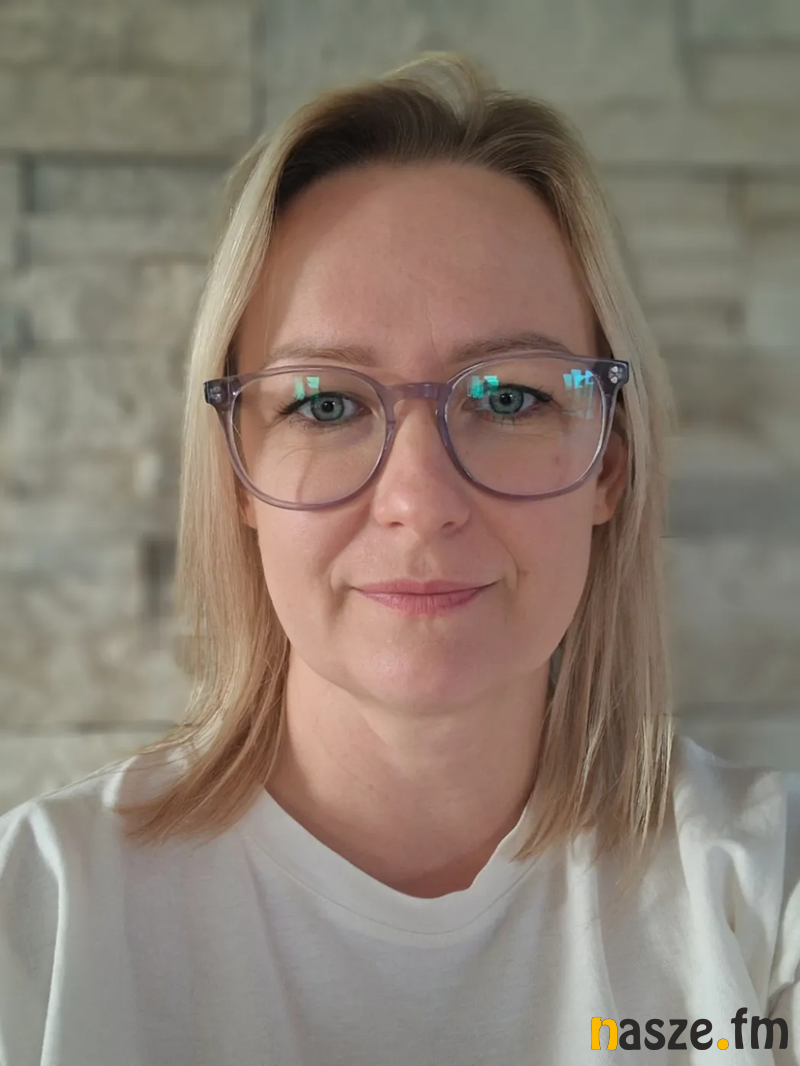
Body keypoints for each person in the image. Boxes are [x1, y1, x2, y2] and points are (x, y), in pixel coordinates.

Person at [0, 51, 798, 1066]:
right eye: (326, 404)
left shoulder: (764, 896)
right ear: (238, 472)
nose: (419, 502)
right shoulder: (40, 916)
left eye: (508, 396)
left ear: (609, 463)